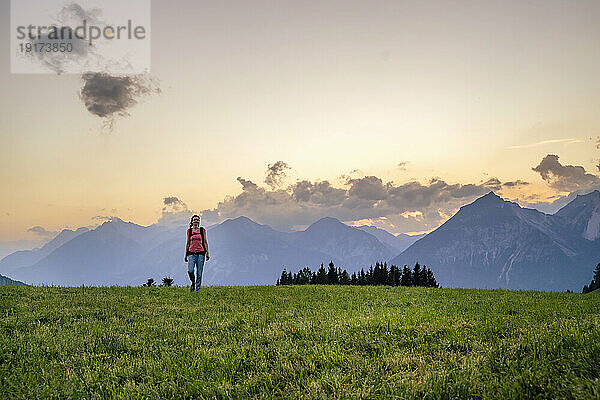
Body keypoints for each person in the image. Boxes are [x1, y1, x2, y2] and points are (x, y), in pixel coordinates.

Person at [185, 214, 210, 292]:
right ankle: (193, 282)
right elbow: (188, 243)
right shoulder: (189, 231)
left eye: (197, 219)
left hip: (201, 254)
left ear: (199, 222)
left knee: (199, 273)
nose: (196, 221)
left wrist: (207, 253)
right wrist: (185, 255)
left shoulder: (202, 230)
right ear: (192, 222)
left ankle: (197, 290)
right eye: (194, 219)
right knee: (190, 270)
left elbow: (205, 242)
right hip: (191, 253)